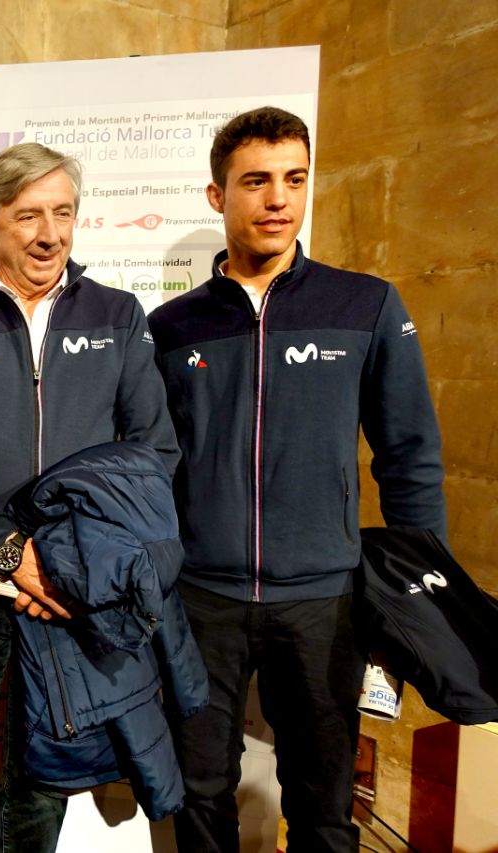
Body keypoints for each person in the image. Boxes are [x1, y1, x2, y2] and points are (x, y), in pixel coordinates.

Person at [146, 106, 447, 852]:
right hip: (202, 600)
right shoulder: (171, 327)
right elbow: (148, 467)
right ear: (218, 196)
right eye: (256, 181)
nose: (279, 198)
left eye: (294, 178)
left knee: (322, 800)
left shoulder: (364, 305)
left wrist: (413, 598)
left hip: (324, 601)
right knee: (199, 792)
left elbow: (409, 455)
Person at [0, 142, 178, 852]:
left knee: (39, 786)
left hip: (64, 591)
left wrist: (60, 559)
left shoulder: (118, 314)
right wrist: (7, 546)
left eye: (63, 213)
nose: (49, 233)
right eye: (28, 215)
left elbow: (151, 453)